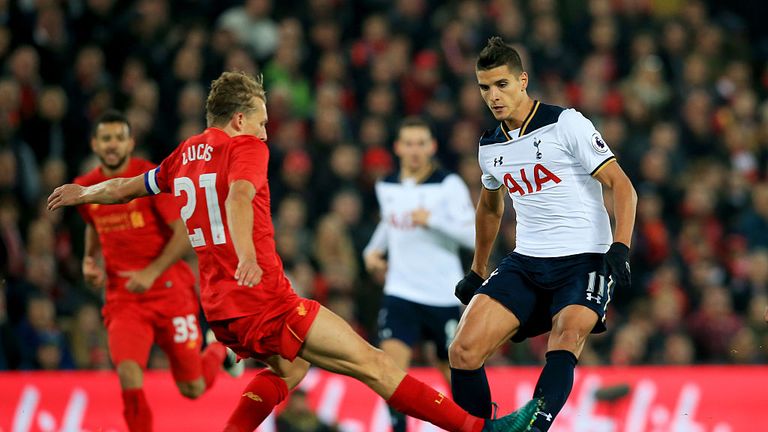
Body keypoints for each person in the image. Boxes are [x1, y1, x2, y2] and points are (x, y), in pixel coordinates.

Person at [48, 71, 539, 432]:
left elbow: (132, 185)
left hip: (219, 307)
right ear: (240, 118)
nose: (265, 131)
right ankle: (484, 431)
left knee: (291, 368)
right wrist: (245, 253)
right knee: (375, 364)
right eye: (261, 120)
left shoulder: (183, 154)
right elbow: (240, 197)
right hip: (262, 295)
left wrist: (84, 193)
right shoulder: (245, 148)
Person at [449, 37, 637, 432]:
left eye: (501, 84)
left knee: (566, 337)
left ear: (522, 80)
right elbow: (490, 205)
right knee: (463, 351)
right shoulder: (490, 146)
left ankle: (533, 427)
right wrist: (477, 270)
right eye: (485, 87)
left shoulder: (565, 122)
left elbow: (621, 185)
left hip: (585, 258)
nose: (493, 96)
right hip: (528, 261)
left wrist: (620, 246)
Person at [73, 110, 243, 432]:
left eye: (119, 138)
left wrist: (152, 271)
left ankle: (220, 348)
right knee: (128, 377)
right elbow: (93, 224)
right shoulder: (86, 188)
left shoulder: (147, 179)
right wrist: (89, 259)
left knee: (192, 387)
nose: (112, 145)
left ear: (130, 143)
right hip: (124, 298)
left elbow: (184, 234)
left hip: (169, 291)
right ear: (95, 144)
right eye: (106, 138)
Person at [364, 116, 475, 432]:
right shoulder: (386, 185)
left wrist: (434, 220)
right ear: (398, 147)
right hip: (400, 292)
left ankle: (475, 426)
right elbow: (389, 223)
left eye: (421, 143)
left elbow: (473, 235)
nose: (415, 150)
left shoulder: (447, 185)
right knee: (389, 372)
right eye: (409, 143)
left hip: (442, 294)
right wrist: (371, 252)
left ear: (432, 147)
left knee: (457, 377)